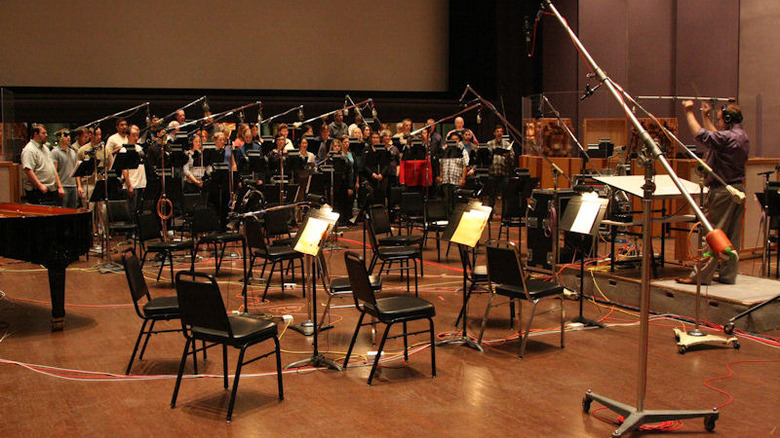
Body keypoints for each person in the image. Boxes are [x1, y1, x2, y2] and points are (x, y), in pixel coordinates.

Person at [675, 100, 749, 285]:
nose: (717, 124)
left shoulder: (729, 138)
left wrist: (689, 112)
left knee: (713, 233)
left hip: (721, 191)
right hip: (737, 190)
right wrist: (705, 116)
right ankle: (728, 275)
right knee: (732, 236)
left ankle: (700, 276)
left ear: (728, 119)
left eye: (719, 120)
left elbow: (701, 135)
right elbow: (717, 135)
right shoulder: (741, 135)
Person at [21, 124, 64, 205]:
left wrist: (59, 186)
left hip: (51, 188)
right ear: (35, 134)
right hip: (38, 190)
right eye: (43, 133)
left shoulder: (45, 148)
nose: (46, 135)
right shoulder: (29, 149)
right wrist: (40, 186)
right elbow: (28, 170)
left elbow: (52, 167)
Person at [437, 131, 468, 214]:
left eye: (456, 139)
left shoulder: (462, 151)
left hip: (457, 179)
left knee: (456, 200)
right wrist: (440, 176)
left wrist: (463, 179)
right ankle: (448, 217)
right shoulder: (444, 151)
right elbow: (441, 165)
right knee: (446, 200)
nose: (454, 141)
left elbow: (465, 166)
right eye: (452, 140)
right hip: (446, 179)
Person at [118, 125, 147, 214]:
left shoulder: (139, 148)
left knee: (139, 210)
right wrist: (129, 185)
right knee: (131, 210)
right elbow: (124, 169)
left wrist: (143, 183)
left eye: (137, 135)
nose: (136, 138)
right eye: (133, 135)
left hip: (140, 184)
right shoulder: (124, 150)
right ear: (128, 136)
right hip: (132, 185)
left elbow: (142, 168)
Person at [50, 129, 82, 208]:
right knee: (64, 210)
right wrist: (60, 187)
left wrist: (79, 186)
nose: (68, 138)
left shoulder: (72, 152)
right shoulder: (55, 152)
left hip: (73, 185)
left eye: (69, 135)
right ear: (59, 137)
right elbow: (54, 171)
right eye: (65, 135)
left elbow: (76, 170)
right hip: (63, 185)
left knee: (74, 210)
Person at [486, 125, 514, 204]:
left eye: (501, 132)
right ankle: (490, 215)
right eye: (497, 132)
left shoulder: (507, 145)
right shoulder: (489, 144)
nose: (499, 133)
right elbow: (485, 159)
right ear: (494, 133)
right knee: (491, 196)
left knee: (505, 197)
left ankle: (504, 215)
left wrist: (508, 157)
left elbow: (512, 161)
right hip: (492, 173)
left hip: (504, 174)